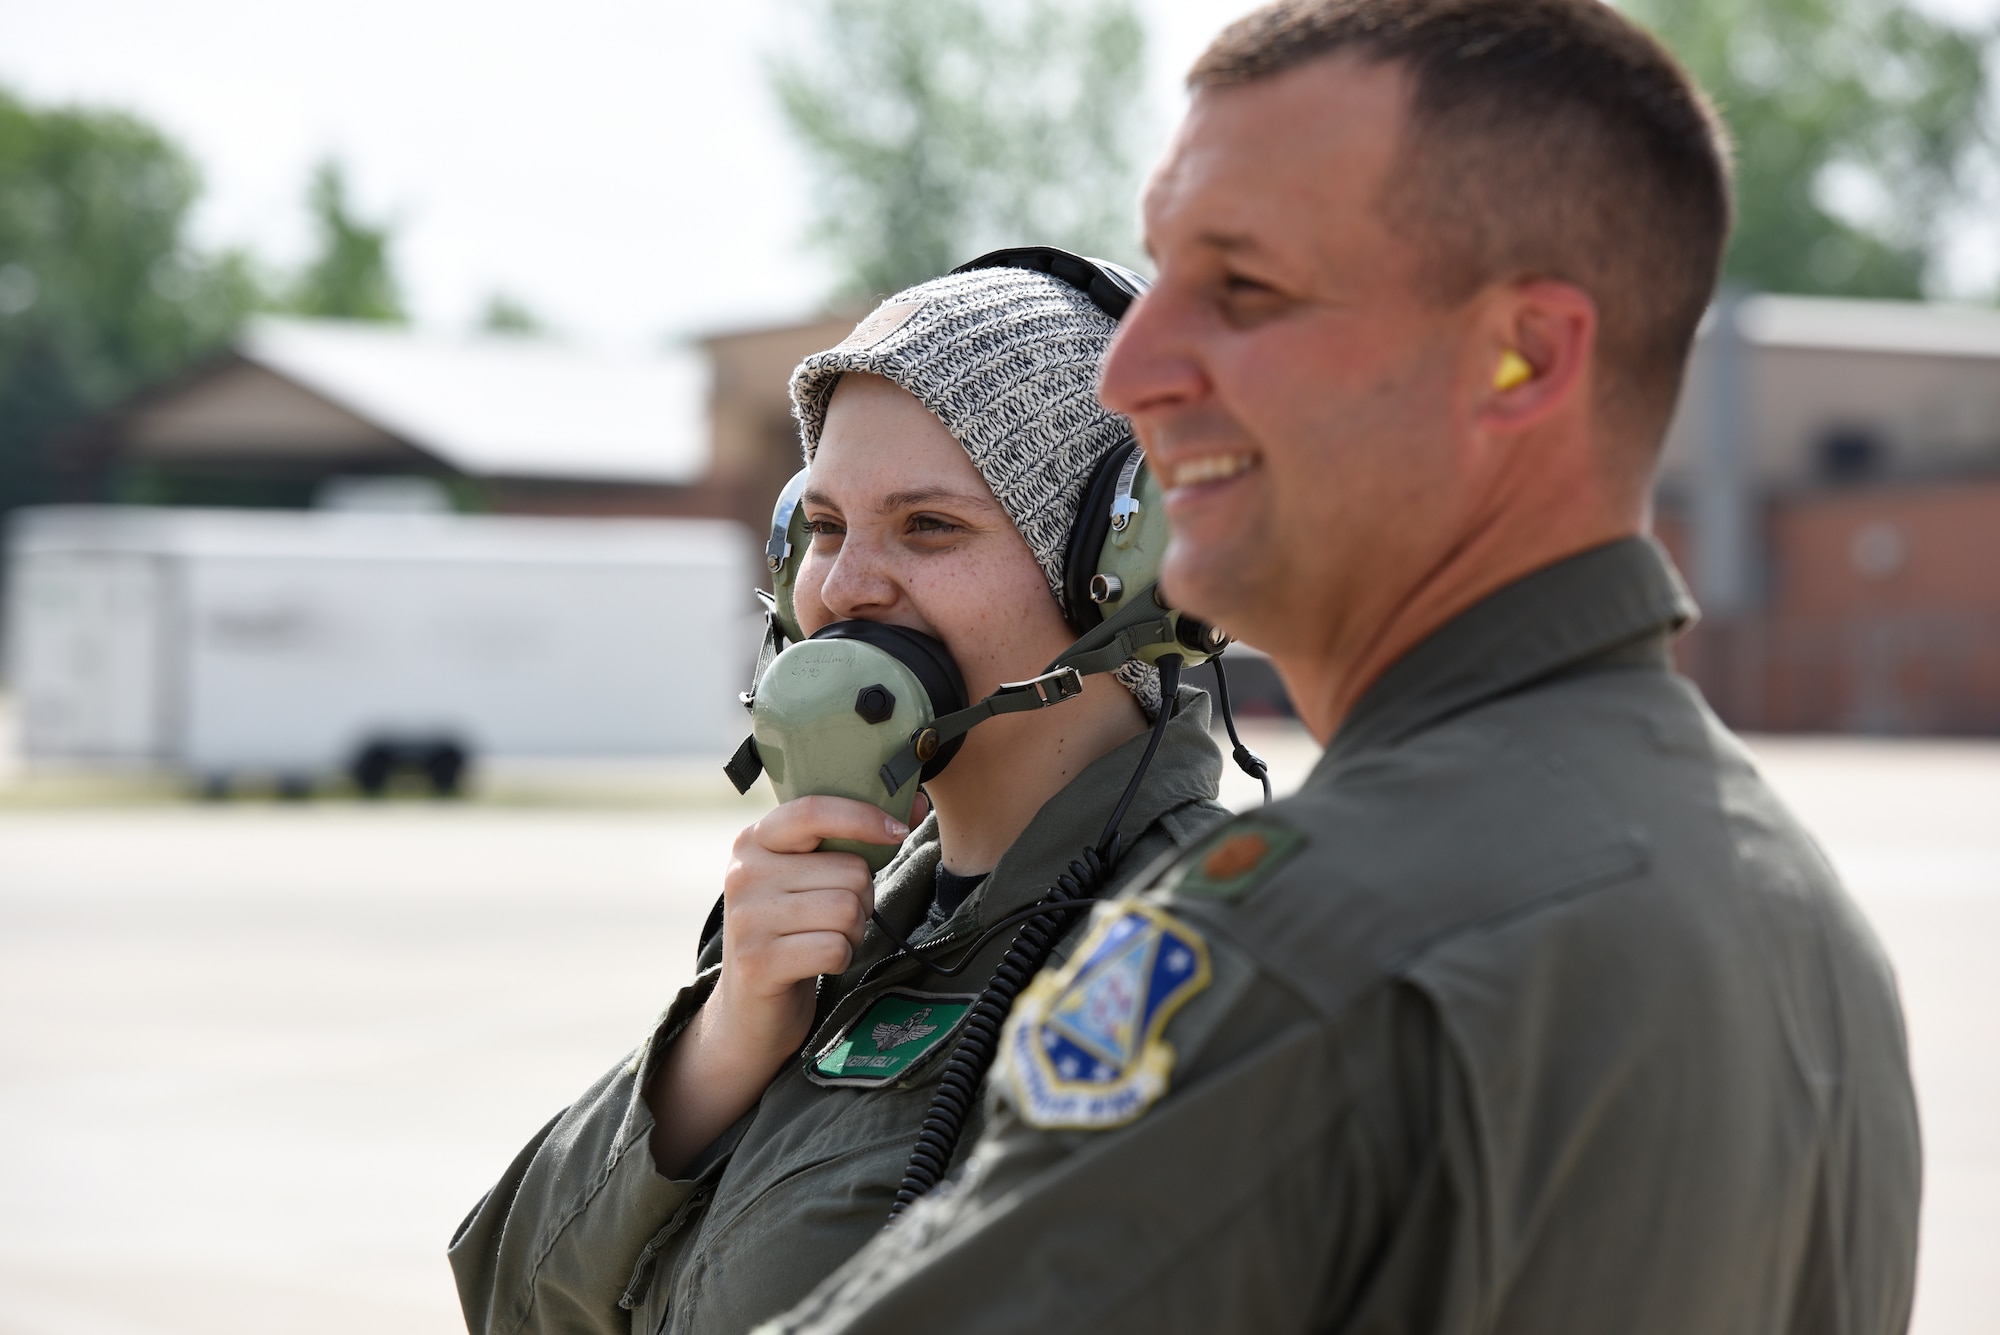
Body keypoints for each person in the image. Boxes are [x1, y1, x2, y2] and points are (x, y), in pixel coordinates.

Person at [765, 3, 1923, 1333]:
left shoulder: (1309, 946)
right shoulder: (1797, 907)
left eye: (1242, 288)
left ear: (1524, 356)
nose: (1135, 373)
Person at [447, 259, 1236, 1335]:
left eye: (927, 527)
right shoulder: (834, 933)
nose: (839, 585)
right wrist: (723, 1041)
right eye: (821, 527)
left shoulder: (1195, 960)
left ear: (1120, 567)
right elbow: (512, 1303)